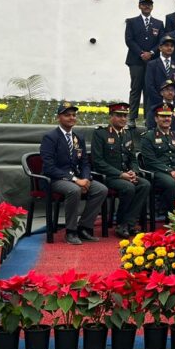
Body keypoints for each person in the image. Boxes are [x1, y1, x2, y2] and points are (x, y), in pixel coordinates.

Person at [39, 102, 108, 245]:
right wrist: (75, 180)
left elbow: (84, 163)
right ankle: (70, 231)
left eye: (73, 115)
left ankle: (84, 227)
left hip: (76, 178)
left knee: (101, 189)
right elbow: (49, 167)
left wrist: (85, 178)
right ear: (59, 117)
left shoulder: (78, 137)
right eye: (67, 115)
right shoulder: (50, 137)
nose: (71, 118)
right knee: (74, 190)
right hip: (55, 179)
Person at [91, 102, 150, 238]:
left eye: (125, 116)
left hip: (126, 175)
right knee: (128, 188)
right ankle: (121, 224)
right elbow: (98, 162)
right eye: (119, 115)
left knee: (145, 184)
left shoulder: (128, 133)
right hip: (108, 176)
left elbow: (133, 158)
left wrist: (133, 171)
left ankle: (129, 223)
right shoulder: (100, 133)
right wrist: (120, 174)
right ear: (111, 116)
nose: (123, 119)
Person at [125, 0, 163, 128]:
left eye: (149, 4)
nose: (147, 6)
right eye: (144, 4)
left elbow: (161, 42)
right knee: (136, 88)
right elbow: (129, 40)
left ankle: (148, 118)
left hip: (152, 61)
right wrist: (141, 53)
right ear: (139, 6)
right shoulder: (131, 22)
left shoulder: (159, 23)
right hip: (136, 60)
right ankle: (132, 118)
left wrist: (151, 53)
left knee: (149, 89)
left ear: (152, 6)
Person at [145, 34, 175, 113]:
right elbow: (149, 86)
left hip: (173, 105)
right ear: (160, 48)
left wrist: (173, 100)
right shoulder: (152, 64)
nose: (169, 48)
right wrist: (161, 101)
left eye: (172, 46)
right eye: (166, 45)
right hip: (155, 105)